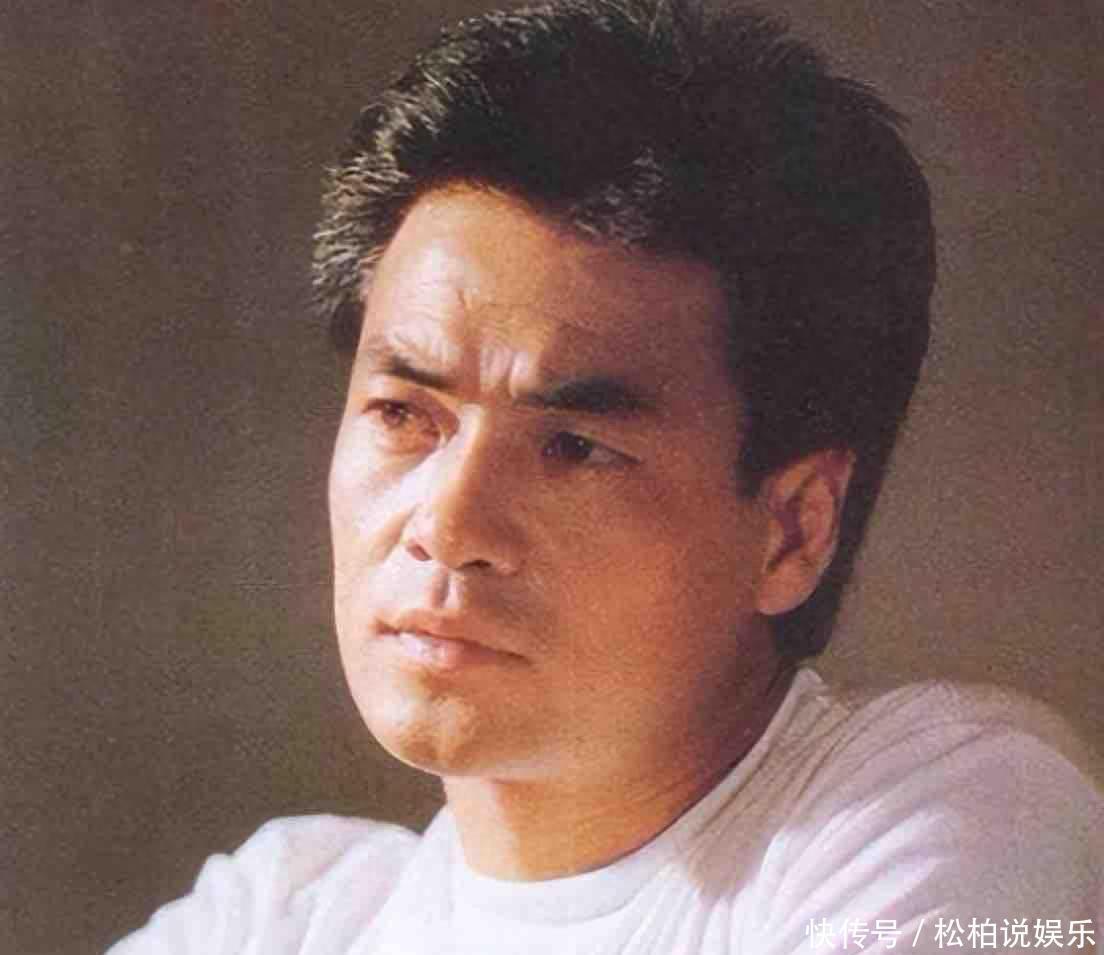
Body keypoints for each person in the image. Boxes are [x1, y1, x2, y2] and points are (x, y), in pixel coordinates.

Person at [108, 1, 1103, 952]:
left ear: (794, 529)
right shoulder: (286, 915)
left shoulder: (946, 815)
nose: (447, 525)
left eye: (576, 447)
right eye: (404, 414)